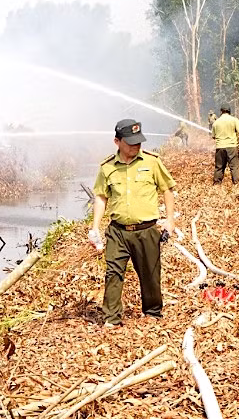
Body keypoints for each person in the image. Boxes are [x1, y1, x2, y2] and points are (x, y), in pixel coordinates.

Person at [90, 119, 176, 328]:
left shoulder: (152, 162)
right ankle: (111, 318)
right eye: (130, 143)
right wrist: (94, 228)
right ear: (117, 142)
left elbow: (167, 189)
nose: (136, 146)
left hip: (146, 230)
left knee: (150, 273)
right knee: (113, 273)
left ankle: (153, 312)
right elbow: (101, 197)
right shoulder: (107, 168)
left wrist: (170, 221)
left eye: (138, 142)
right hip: (117, 232)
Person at [212, 103, 239, 184]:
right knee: (234, 167)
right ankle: (236, 184)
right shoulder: (234, 120)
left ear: (221, 111)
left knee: (219, 167)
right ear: (229, 111)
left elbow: (213, 136)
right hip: (232, 147)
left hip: (220, 147)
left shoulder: (216, 122)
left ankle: (216, 185)